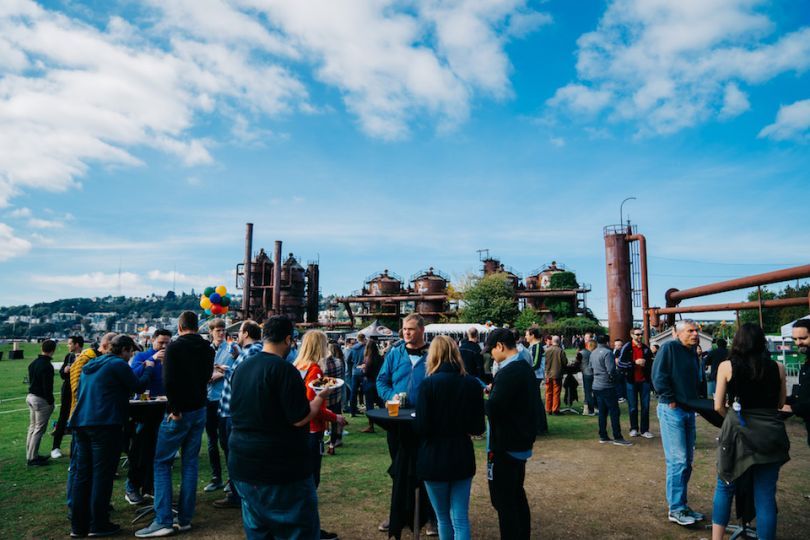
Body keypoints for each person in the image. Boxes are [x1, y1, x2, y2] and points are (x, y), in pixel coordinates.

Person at [228, 315, 334, 539]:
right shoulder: (284, 370)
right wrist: (319, 397)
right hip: (279, 469)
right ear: (288, 339)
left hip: (242, 464)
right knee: (297, 530)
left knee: (258, 530)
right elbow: (300, 418)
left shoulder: (242, 367)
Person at [136, 311, 214, 538]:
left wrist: (174, 409)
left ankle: (163, 520)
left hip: (179, 412)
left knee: (161, 463)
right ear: (196, 326)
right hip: (200, 409)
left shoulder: (174, 348)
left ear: (180, 327)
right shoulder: (208, 349)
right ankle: (185, 518)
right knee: (190, 464)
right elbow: (207, 375)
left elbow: (168, 380)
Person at [69, 335, 154, 537]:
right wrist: (149, 367)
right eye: (130, 352)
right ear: (123, 349)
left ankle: (78, 525)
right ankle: (98, 523)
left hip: (81, 422)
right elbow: (138, 386)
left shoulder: (93, 364)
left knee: (83, 475)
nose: (131, 356)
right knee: (102, 475)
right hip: (105, 423)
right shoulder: (118, 364)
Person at [711, 323, 789, 540]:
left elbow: (717, 405)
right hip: (770, 434)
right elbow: (781, 402)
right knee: (765, 496)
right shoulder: (778, 367)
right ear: (762, 342)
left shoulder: (727, 366)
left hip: (737, 434)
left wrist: (733, 418)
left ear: (737, 342)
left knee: (725, 485)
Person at [416, 336, 485, 540]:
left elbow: (422, 427)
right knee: (460, 518)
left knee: (443, 518)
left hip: (434, 457)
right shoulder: (472, 384)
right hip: (461, 454)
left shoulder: (428, 385)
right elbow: (479, 427)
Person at [376, 313, 435, 536]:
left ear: (421, 330)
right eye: (404, 329)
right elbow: (382, 380)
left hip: (424, 422)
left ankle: (431, 517)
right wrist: (390, 396)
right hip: (397, 423)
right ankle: (398, 515)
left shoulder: (432, 355)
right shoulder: (395, 353)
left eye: (410, 329)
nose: (406, 333)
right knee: (399, 469)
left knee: (426, 469)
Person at [483, 328, 537, 540]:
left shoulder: (510, 371)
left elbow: (493, 408)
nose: (491, 356)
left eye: (491, 351)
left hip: (506, 445)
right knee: (516, 495)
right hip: (520, 442)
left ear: (500, 346)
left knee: (503, 500)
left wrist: (478, 400)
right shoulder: (523, 367)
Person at [294, 330, 347, 540]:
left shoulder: (297, 366)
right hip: (313, 430)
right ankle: (310, 530)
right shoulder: (314, 369)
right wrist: (335, 417)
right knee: (310, 482)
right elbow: (312, 405)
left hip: (299, 432)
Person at [652, 319, 705, 527]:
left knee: (687, 461)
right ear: (678, 333)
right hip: (672, 410)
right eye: (690, 331)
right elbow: (658, 376)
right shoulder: (669, 348)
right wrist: (670, 399)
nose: (694, 334)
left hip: (688, 411)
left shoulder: (693, 352)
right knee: (678, 460)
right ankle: (675, 509)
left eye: (696, 331)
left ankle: (682, 504)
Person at [214, 319, 263, 509]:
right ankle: (238, 490)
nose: (238, 335)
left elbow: (240, 377)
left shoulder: (251, 352)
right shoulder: (251, 352)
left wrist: (226, 371)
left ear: (246, 334)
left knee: (234, 455)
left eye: (240, 331)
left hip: (232, 412)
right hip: (235, 411)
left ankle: (237, 494)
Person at [66, 333, 113, 514]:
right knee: (78, 466)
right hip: (82, 418)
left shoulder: (98, 359)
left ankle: (93, 502)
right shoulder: (85, 359)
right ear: (106, 345)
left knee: (94, 466)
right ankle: (74, 505)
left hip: (92, 418)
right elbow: (77, 390)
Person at [125, 328, 171, 505]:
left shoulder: (170, 358)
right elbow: (133, 376)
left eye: (168, 342)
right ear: (153, 341)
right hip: (144, 409)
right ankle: (132, 487)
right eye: (161, 342)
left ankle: (149, 487)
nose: (164, 346)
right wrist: (151, 360)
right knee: (139, 450)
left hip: (164, 408)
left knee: (158, 451)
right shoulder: (142, 356)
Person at [204, 318, 236, 493]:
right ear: (211, 332)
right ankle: (216, 477)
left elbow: (232, 369)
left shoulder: (231, 349)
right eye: (218, 330)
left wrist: (219, 374)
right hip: (208, 398)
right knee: (211, 440)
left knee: (226, 440)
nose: (221, 333)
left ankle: (232, 478)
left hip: (223, 398)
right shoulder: (206, 350)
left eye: (223, 330)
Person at [590, 335, 632, 446]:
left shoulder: (593, 352)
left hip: (596, 385)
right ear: (607, 342)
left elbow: (591, 368)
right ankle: (617, 437)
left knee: (602, 412)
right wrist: (616, 380)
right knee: (614, 411)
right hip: (607, 386)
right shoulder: (608, 353)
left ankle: (603, 435)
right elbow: (611, 370)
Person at [617, 327, 655, 438]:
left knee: (645, 407)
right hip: (631, 381)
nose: (640, 336)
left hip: (644, 381)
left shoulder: (645, 348)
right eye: (637, 334)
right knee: (633, 407)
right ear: (632, 335)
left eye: (641, 334)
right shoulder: (627, 347)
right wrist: (635, 363)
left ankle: (644, 430)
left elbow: (651, 364)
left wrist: (646, 363)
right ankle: (634, 428)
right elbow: (620, 365)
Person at [51, 335, 83, 459]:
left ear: (76, 344)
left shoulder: (86, 356)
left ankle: (76, 448)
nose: (68, 345)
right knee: (63, 417)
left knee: (78, 418)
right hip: (68, 391)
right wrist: (65, 371)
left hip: (80, 391)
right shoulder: (68, 356)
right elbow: (61, 375)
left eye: (70, 343)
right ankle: (55, 447)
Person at [26, 339, 57, 466]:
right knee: (39, 429)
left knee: (33, 428)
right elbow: (47, 388)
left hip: (31, 396)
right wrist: (51, 402)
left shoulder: (33, 363)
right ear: (53, 350)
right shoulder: (47, 366)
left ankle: (30, 454)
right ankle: (32, 458)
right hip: (41, 400)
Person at [786, 319, 810, 445]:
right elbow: (803, 394)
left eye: (803, 338)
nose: (798, 343)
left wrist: (792, 408)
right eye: (795, 339)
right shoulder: (807, 362)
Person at [525, 327, 548, 434]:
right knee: (535, 401)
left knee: (536, 401)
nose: (525, 337)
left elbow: (535, 363)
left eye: (527, 334)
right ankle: (539, 426)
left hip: (535, 376)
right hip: (533, 376)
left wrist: (524, 369)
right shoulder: (532, 346)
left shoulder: (537, 346)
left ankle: (540, 426)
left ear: (532, 335)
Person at [324, 342, 345, 453]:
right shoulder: (339, 362)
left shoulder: (322, 364)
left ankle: (333, 441)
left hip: (326, 397)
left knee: (330, 420)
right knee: (335, 420)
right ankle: (334, 441)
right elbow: (341, 378)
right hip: (336, 395)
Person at [360, 338, 384, 433]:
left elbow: (366, 372)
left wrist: (362, 370)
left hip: (369, 382)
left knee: (370, 406)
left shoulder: (368, 358)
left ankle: (371, 426)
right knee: (381, 404)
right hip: (378, 383)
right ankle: (386, 422)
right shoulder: (380, 357)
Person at [544, 336, 568, 415]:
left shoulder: (547, 350)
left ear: (552, 341)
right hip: (557, 374)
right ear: (559, 341)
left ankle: (548, 409)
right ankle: (555, 409)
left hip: (548, 374)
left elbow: (544, 362)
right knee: (556, 393)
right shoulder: (560, 351)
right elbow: (565, 362)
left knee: (548, 392)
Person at [348, 332, 367, 417]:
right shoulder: (366, 348)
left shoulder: (353, 348)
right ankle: (368, 410)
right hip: (364, 371)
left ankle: (352, 411)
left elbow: (348, 360)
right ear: (364, 338)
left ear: (357, 339)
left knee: (353, 392)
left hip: (355, 372)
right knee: (367, 391)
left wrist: (351, 368)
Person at [580, 335, 596, 416]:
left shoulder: (583, 352)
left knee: (588, 392)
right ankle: (591, 408)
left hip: (587, 373)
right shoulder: (591, 352)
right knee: (592, 391)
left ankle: (590, 410)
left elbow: (577, 363)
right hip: (593, 373)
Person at [613, 339, 627, 403]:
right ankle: (623, 396)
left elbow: (617, 362)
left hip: (619, 369)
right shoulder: (619, 351)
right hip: (622, 369)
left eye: (619, 345)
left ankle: (621, 397)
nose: (617, 346)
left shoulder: (618, 351)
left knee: (619, 384)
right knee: (622, 384)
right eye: (616, 345)